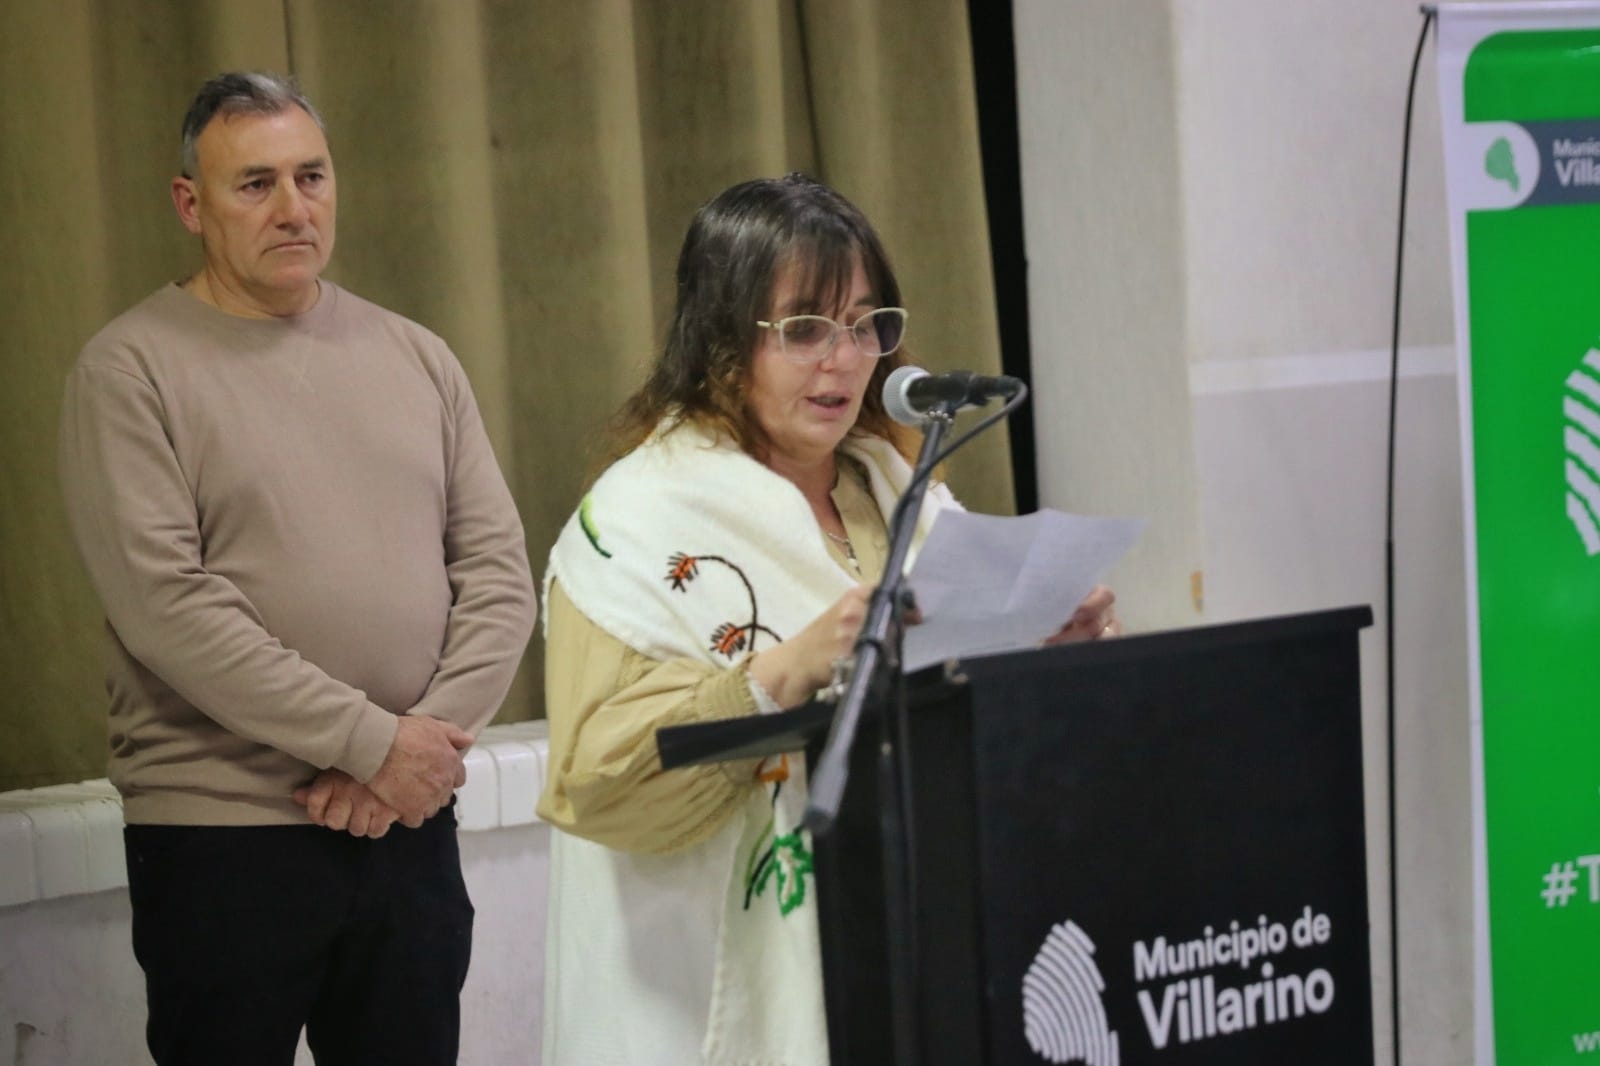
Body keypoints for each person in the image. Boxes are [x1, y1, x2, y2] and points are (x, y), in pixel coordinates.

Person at [537, 173, 1116, 1065]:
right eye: (805, 328)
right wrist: (784, 670)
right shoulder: (636, 522)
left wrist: (1038, 649)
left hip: (907, 958)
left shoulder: (897, 487)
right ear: (722, 341)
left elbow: (943, 700)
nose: (844, 360)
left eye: (864, 324)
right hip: (700, 1003)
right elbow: (595, 779)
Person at [57, 71, 536, 1066]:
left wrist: (408, 760)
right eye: (255, 184)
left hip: (406, 823)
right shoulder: (128, 370)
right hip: (224, 836)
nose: (292, 208)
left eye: (311, 176)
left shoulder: (417, 355)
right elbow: (168, 608)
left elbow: (499, 578)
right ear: (190, 203)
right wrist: (371, 743)